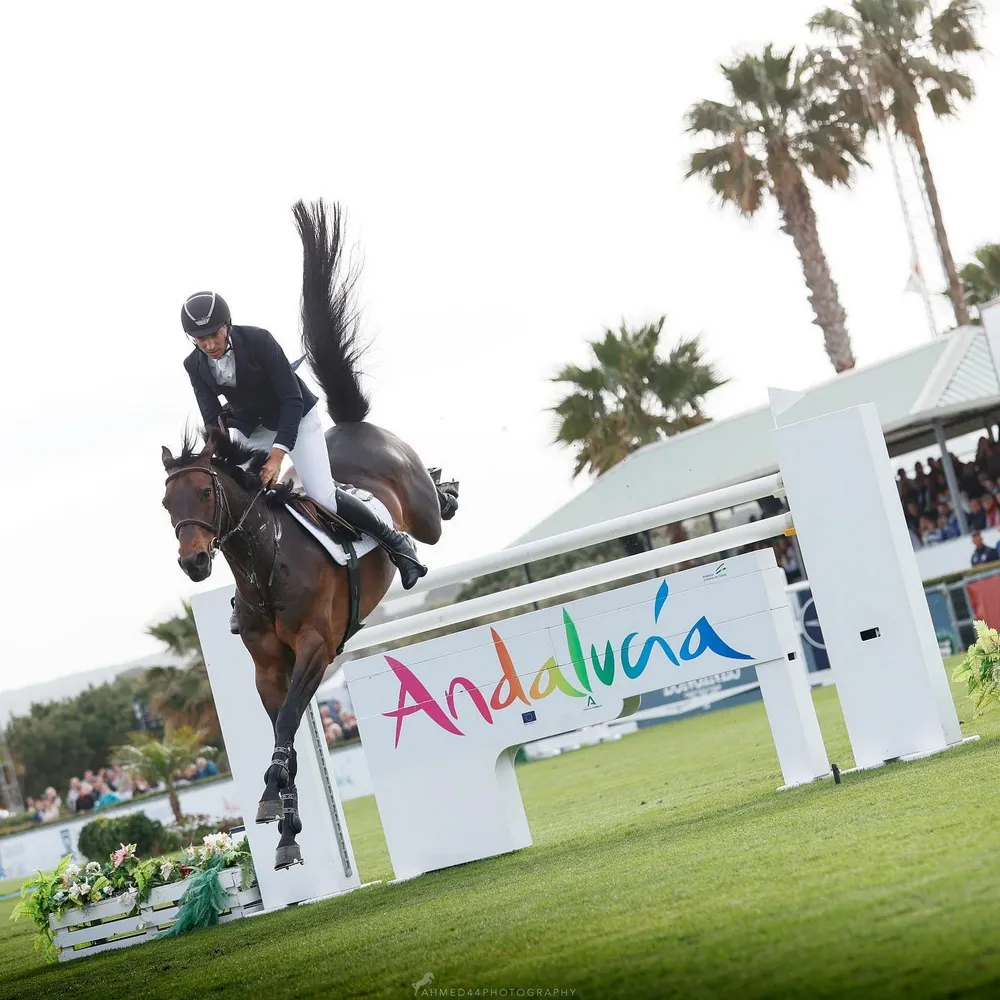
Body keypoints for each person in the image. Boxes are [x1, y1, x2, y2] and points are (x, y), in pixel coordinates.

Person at [180, 291, 427, 633]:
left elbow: (291, 398)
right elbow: (212, 418)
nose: (208, 345)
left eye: (213, 335)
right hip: (252, 432)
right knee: (243, 509)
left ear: (227, 326)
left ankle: (397, 545)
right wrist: (215, 456)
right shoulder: (194, 365)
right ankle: (243, 595)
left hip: (295, 417)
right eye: (200, 339)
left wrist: (279, 455)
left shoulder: (259, 341)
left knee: (322, 496)